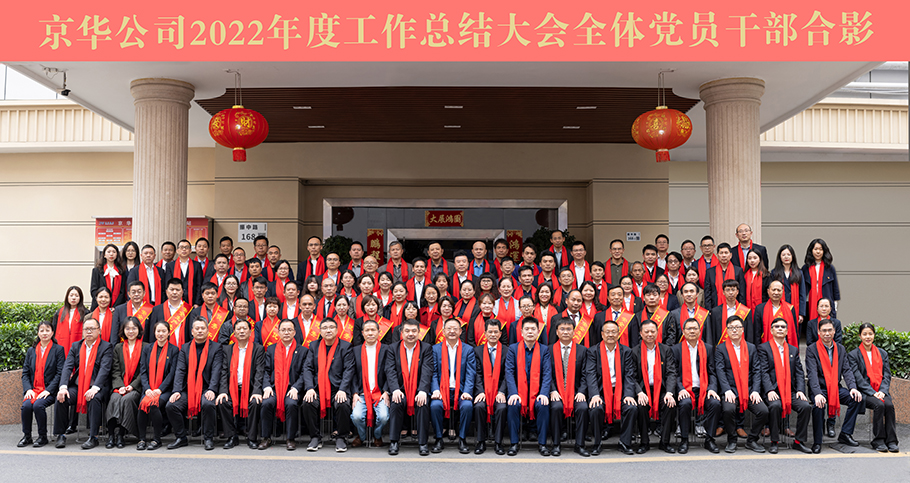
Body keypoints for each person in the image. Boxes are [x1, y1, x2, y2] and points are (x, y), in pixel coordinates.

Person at [54, 316, 113, 449]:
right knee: (61, 398)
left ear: (99, 330)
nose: (89, 332)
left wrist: (95, 388)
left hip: (97, 386)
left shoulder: (106, 347)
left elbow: (105, 369)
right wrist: (63, 387)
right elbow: (67, 367)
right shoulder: (76, 346)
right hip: (78, 386)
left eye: (92, 329)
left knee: (94, 398)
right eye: (86, 329)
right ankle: (61, 435)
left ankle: (93, 437)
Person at [166, 317, 223, 451]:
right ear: (192, 331)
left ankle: (208, 438)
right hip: (189, 389)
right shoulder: (185, 348)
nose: (200, 331)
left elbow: (216, 371)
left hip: (207, 388)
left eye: (203, 328)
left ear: (208, 331)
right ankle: (181, 437)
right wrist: (176, 391)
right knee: (171, 406)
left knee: (208, 404)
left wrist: (212, 389)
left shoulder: (216, 348)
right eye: (197, 328)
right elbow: (180, 371)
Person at [806, 318, 863, 453]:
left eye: (829, 330)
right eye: (824, 330)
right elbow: (812, 374)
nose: (827, 333)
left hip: (835, 388)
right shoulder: (812, 349)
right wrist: (817, 393)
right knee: (818, 405)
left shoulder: (840, 349)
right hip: (819, 388)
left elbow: (847, 370)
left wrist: (853, 388)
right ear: (819, 332)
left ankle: (845, 434)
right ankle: (817, 441)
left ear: (834, 331)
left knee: (856, 399)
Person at [758, 317, 812, 454]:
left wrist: (800, 390)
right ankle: (774, 441)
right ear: (771, 331)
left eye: (783, 327)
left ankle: (799, 442)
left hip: (789, 390)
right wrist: (769, 390)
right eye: (777, 327)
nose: (780, 329)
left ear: (787, 331)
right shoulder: (764, 348)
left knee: (805, 406)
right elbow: (763, 372)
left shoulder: (793, 350)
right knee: (775, 405)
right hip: (773, 390)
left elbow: (799, 372)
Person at [714, 315, 768, 453]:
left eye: (737, 327)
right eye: (731, 327)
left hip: (748, 390)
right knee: (728, 409)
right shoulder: (721, 348)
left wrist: (755, 390)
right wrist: (726, 390)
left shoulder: (751, 348)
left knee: (763, 411)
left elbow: (756, 371)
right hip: (730, 390)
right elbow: (720, 371)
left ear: (742, 329)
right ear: (727, 330)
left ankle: (752, 440)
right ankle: (732, 440)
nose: (734, 330)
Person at [302, 317, 355, 452]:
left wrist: (343, 389)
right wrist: (309, 388)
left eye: (331, 327)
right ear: (320, 331)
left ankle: (341, 437)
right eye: (325, 328)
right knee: (308, 402)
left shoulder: (345, 346)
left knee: (343, 404)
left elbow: (349, 370)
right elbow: (307, 368)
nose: (328, 330)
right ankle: (315, 437)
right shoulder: (314, 346)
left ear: (337, 330)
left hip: (338, 388)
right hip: (318, 388)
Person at [586, 320, 638, 455]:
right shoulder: (593, 351)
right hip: (601, 391)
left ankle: (625, 442)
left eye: (613, 332)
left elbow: (629, 375)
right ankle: (597, 443)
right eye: (607, 332)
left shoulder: (626, 351)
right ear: (602, 334)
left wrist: (628, 395)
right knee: (596, 408)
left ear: (618, 334)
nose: (610, 335)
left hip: (620, 391)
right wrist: (595, 395)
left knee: (631, 407)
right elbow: (590, 374)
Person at [672, 318, 722, 454]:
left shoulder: (708, 348)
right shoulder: (676, 349)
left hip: (704, 389)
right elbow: (673, 374)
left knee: (715, 403)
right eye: (689, 329)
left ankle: (709, 439)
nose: (692, 331)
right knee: (685, 403)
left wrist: (712, 388)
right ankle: (684, 439)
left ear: (700, 331)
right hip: (685, 389)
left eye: (695, 328)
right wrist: (680, 389)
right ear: (683, 332)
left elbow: (712, 372)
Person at [848, 323, 900, 452]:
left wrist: (882, 391)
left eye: (870, 334)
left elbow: (887, 375)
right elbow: (858, 378)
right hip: (865, 392)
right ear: (860, 336)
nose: (868, 337)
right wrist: (873, 392)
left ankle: (891, 440)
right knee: (879, 405)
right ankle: (878, 440)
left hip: (880, 391)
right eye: (864, 334)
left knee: (889, 405)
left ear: (874, 335)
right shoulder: (853, 355)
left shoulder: (882, 353)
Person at [386, 318, 435, 456]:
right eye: (407, 331)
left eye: (414, 331)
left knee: (422, 403)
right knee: (396, 402)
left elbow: (427, 370)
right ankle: (394, 441)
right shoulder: (393, 348)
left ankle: (423, 443)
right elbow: (390, 371)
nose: (410, 334)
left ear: (419, 332)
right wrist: (395, 389)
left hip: (419, 389)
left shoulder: (426, 348)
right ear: (401, 332)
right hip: (400, 389)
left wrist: (423, 390)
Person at [505, 317, 553, 456]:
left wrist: (543, 393)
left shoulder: (544, 350)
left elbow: (547, 374)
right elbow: (509, 373)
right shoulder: (513, 349)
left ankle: (542, 444)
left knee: (543, 404)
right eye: (527, 329)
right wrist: (513, 393)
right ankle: (514, 443)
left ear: (538, 332)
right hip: (518, 390)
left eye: (533, 329)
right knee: (513, 404)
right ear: (521, 332)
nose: (530, 332)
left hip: (537, 391)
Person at [258, 319, 308, 450]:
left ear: (294, 332)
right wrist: (267, 386)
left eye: (289, 330)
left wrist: (296, 388)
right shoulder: (271, 349)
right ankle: (266, 437)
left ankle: (290, 438)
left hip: (292, 388)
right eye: (283, 330)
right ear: (278, 332)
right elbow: (266, 371)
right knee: (267, 403)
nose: (286, 333)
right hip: (274, 388)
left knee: (291, 404)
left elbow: (304, 373)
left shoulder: (302, 350)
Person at [216, 318, 265, 450]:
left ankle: (252, 437)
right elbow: (223, 372)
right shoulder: (227, 349)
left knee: (255, 402)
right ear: (234, 332)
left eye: (245, 329)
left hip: (250, 388)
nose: (242, 331)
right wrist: (223, 391)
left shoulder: (258, 349)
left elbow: (260, 372)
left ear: (250, 332)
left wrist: (256, 391)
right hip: (232, 388)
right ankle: (232, 436)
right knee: (223, 402)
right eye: (239, 329)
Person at [430, 318, 476, 454]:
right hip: (441, 390)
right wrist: (435, 390)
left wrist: (467, 391)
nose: (452, 331)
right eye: (448, 328)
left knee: (467, 406)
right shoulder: (435, 349)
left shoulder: (468, 350)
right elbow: (433, 373)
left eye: (455, 329)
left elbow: (470, 374)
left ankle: (462, 438)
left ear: (460, 331)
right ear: (443, 331)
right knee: (435, 406)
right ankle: (439, 438)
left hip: (460, 390)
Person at [632, 319, 677, 454]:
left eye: (652, 331)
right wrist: (639, 392)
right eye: (646, 332)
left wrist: (669, 392)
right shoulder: (634, 351)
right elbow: (632, 376)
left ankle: (665, 442)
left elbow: (671, 373)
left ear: (657, 332)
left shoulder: (666, 350)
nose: (650, 334)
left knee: (670, 404)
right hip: (643, 390)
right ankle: (644, 442)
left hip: (662, 389)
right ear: (641, 333)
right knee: (641, 406)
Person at [19, 320, 66, 448]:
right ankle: (27, 436)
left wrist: (48, 390)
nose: (44, 333)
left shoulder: (58, 350)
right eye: (42, 330)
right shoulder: (31, 351)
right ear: (38, 333)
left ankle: (42, 436)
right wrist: (28, 389)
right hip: (34, 389)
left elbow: (60, 373)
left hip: (50, 390)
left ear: (52, 332)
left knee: (38, 405)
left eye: (47, 330)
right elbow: (25, 373)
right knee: (26, 406)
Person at [548, 318, 590, 457]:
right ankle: (556, 444)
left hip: (576, 392)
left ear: (574, 332)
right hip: (556, 391)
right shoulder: (549, 350)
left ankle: (580, 444)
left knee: (583, 407)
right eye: (562, 329)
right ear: (557, 332)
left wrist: (582, 391)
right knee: (556, 407)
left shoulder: (582, 350)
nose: (565, 332)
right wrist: (552, 390)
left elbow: (585, 374)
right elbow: (547, 373)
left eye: (568, 329)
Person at [136, 321, 179, 451]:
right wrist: (147, 389)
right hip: (149, 389)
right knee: (143, 405)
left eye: (163, 331)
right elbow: (143, 371)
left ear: (169, 333)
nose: (161, 334)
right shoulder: (147, 349)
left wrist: (160, 390)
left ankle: (156, 439)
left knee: (154, 405)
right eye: (158, 331)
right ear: (154, 333)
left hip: (164, 390)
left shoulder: (174, 350)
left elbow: (172, 374)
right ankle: (142, 439)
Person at [350, 319, 393, 447]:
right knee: (356, 416)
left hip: (380, 393)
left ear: (379, 332)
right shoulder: (355, 350)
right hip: (361, 393)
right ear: (362, 333)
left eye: (373, 330)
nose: (370, 333)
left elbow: (390, 372)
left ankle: (377, 435)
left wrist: (386, 391)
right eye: (367, 330)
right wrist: (354, 393)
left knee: (384, 417)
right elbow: (352, 373)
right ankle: (362, 436)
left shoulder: (387, 349)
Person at [105, 317, 144, 448]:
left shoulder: (145, 347)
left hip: (136, 387)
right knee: (114, 399)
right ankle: (111, 435)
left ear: (139, 330)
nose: (131, 331)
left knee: (127, 400)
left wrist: (132, 386)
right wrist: (120, 386)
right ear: (123, 330)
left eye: (134, 328)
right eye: (128, 328)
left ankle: (121, 434)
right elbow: (115, 370)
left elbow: (144, 371)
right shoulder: (118, 347)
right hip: (120, 385)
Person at [473, 319, 508, 455]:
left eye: (495, 332)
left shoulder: (507, 351)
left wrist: (502, 392)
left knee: (502, 408)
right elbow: (477, 374)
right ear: (485, 333)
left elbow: (508, 374)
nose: (493, 335)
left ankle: (498, 442)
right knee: (479, 406)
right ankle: (481, 441)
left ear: (500, 334)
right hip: (483, 390)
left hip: (500, 391)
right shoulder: (477, 351)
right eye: (490, 332)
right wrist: (480, 391)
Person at [146, 278, 192, 347]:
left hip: (184, 349)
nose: (174, 292)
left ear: (182, 292)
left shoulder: (189, 310)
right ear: (167, 291)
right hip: (162, 349)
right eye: (172, 289)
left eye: (177, 290)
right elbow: (152, 334)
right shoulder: (157, 310)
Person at [803, 238, 841, 320]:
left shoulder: (830, 268)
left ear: (824, 251)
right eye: (815, 249)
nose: (818, 252)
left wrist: (834, 306)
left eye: (820, 249)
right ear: (811, 250)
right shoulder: (805, 268)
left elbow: (835, 288)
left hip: (826, 304)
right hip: (809, 305)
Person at [710, 279, 755, 346]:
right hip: (722, 348)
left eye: (733, 290)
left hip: (741, 347)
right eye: (728, 290)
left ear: (737, 292)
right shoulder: (715, 312)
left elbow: (749, 335)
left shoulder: (746, 311)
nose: (731, 292)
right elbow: (713, 335)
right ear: (723, 292)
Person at [754, 281, 798, 347]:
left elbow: (794, 332)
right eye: (773, 290)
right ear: (768, 291)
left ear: (782, 292)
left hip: (785, 346)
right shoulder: (760, 309)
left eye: (779, 290)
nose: (776, 293)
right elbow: (757, 333)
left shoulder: (790, 308)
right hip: (766, 346)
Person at [771, 244, 806, 324]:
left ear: (792, 256)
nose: (786, 257)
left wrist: (801, 313)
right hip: (779, 308)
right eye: (783, 255)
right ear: (780, 257)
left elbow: (802, 294)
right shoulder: (774, 273)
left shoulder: (799, 273)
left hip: (795, 309)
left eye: (788, 254)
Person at [703, 243, 745, 308]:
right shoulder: (710, 272)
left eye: (726, 253)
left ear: (730, 255)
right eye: (721, 253)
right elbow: (707, 294)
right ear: (717, 255)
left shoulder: (738, 271)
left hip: (734, 308)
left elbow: (742, 293)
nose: (724, 255)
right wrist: (709, 310)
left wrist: (740, 309)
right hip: (715, 308)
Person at [164, 239, 203, 306]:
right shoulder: (170, 266)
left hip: (192, 302)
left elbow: (199, 285)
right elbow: (168, 285)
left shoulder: (197, 265)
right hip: (175, 301)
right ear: (177, 250)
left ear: (190, 250)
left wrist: (197, 303)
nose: (184, 249)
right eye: (182, 247)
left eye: (186, 247)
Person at [90, 243, 126, 310]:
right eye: (109, 252)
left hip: (116, 308)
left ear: (117, 255)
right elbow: (93, 290)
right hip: (99, 307)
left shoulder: (121, 271)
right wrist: (102, 303)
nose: (111, 254)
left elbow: (122, 291)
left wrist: (115, 307)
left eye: (114, 252)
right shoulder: (97, 270)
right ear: (104, 255)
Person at [54, 286, 87, 355]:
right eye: (71, 295)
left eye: (76, 296)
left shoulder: (85, 313)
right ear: (67, 297)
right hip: (62, 344)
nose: (73, 298)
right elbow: (54, 329)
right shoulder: (60, 312)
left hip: (79, 345)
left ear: (80, 298)